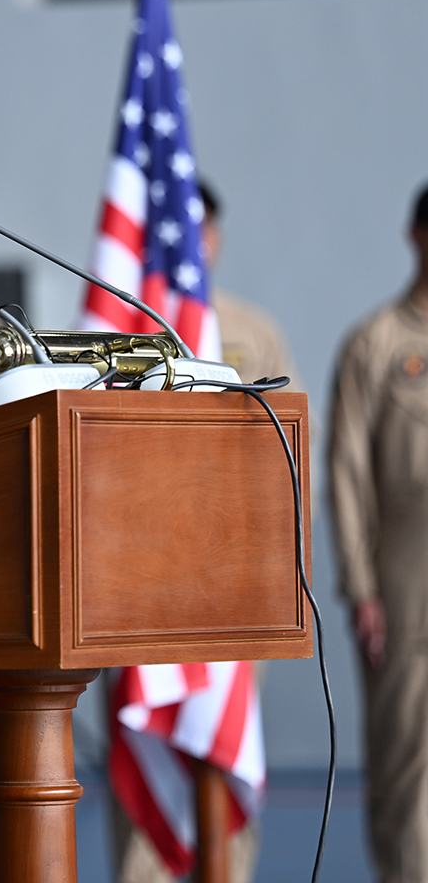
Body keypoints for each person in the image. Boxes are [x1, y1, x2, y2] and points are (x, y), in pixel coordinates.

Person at [110, 179, 298, 883]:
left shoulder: (254, 332)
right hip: (138, 584)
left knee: (222, 740)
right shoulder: (117, 333)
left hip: (231, 579)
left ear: (212, 238)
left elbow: (289, 456)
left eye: (198, 228)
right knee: (150, 736)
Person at [330, 182, 428, 883]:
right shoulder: (377, 343)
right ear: (417, 236)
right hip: (407, 580)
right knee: (408, 765)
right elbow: (346, 474)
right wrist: (362, 587)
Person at [200, 180, 298, 387]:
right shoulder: (128, 321)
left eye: (204, 224)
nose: (195, 238)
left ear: (219, 237)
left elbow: (290, 404)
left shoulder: (252, 330)